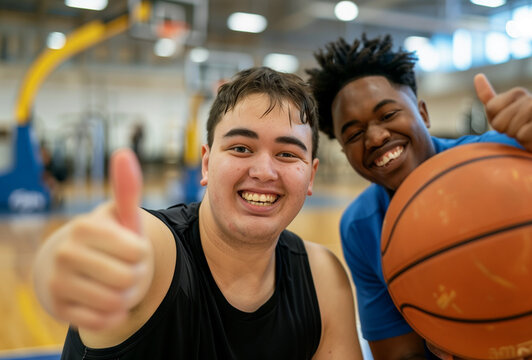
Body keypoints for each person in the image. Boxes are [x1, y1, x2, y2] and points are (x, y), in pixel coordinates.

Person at [306, 34, 532, 360]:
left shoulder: (498, 155)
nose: (376, 136)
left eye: (389, 115)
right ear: (345, 150)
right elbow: (399, 352)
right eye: (354, 133)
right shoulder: (360, 226)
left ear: (422, 113)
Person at [33, 66, 363, 359]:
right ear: (206, 163)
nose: (264, 171)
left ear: (311, 175)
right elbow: (121, 248)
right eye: (241, 148)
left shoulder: (323, 280)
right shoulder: (161, 254)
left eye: (287, 154)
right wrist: (70, 266)